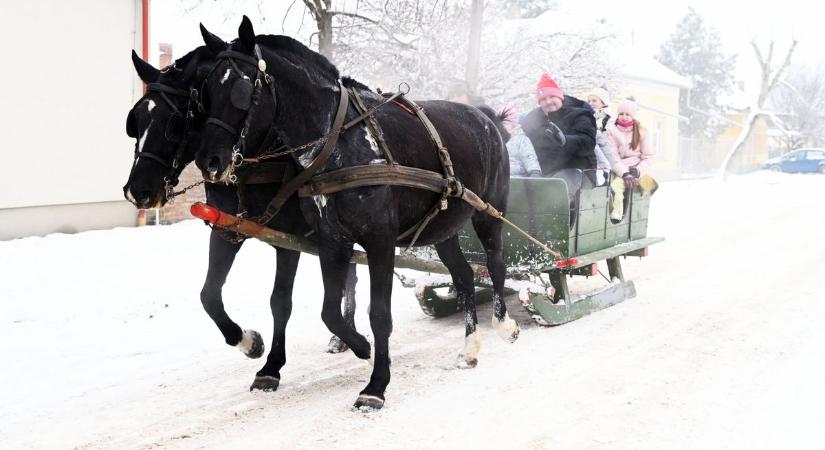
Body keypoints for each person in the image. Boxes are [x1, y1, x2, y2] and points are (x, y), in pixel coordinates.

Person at [521, 73, 597, 184]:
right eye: (543, 99)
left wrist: (566, 141)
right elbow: (523, 145)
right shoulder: (532, 119)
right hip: (543, 172)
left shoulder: (580, 114)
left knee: (555, 189)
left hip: (578, 170)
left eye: (552, 97)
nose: (548, 102)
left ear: (560, 97)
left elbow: (588, 142)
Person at [606, 98, 658, 222]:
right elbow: (612, 156)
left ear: (633, 116)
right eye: (621, 114)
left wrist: (638, 171)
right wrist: (625, 173)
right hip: (618, 168)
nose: (624, 117)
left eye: (627, 114)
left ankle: (617, 216)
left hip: (635, 168)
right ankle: (609, 214)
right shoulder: (611, 131)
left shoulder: (641, 132)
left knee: (616, 186)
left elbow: (648, 157)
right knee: (606, 187)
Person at [587, 87, 619, 185]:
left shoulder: (607, 118)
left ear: (603, 102)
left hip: (604, 151)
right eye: (589, 101)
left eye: (594, 100)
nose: (590, 103)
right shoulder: (592, 116)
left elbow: (607, 137)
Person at [505, 112, 542, 177]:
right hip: (498, 179)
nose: (501, 127)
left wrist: (534, 172)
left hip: (517, 179)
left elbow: (529, 156)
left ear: (513, 124)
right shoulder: (495, 141)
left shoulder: (521, 140)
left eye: (505, 123)